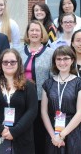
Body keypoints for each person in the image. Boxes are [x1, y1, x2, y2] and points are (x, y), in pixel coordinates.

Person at [0, 49, 38, 154]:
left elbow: (32, 111)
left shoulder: (29, 85)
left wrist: (14, 131)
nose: (9, 64)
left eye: (12, 62)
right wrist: (1, 129)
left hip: (21, 138)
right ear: (0, 64)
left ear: (18, 63)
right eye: (5, 62)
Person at [16, 20, 54, 154]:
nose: (34, 33)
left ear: (42, 33)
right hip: (21, 100)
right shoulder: (18, 51)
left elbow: (53, 78)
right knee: (23, 134)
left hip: (41, 101)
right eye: (31, 30)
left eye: (37, 30)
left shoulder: (50, 53)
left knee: (39, 135)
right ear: (27, 33)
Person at [41, 46, 81, 153]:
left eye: (66, 58)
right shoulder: (47, 84)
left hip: (73, 130)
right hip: (52, 131)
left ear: (72, 60)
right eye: (58, 59)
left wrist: (61, 135)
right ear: (54, 62)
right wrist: (54, 136)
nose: (62, 62)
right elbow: (44, 112)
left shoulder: (80, 83)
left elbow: (80, 113)